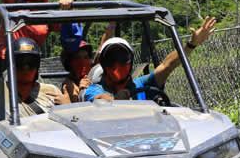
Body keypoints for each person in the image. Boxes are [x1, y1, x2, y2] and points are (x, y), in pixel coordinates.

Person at [82, 16, 217, 102]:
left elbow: (167, 65)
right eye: (112, 58)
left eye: (123, 57)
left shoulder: (141, 85)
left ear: (130, 61)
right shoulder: (94, 89)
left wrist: (191, 45)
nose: (118, 62)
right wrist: (116, 99)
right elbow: (99, 98)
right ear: (104, 63)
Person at [57, 22, 115, 104]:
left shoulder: (93, 71)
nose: (82, 62)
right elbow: (75, 107)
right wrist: (82, 91)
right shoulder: (69, 84)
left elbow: (103, 45)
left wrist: (112, 22)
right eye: (77, 58)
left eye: (86, 57)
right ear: (69, 62)